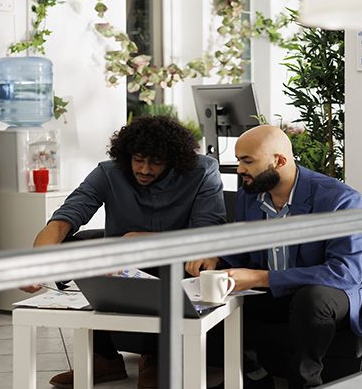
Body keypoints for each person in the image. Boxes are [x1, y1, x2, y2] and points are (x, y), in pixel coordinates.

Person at [20, 115, 226, 389]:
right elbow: (64, 219)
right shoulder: (108, 172)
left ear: (173, 160)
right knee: (72, 247)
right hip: (120, 257)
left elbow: (208, 232)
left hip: (179, 258)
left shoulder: (203, 171)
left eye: (155, 162)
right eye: (138, 159)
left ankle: (156, 358)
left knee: (159, 260)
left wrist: (147, 239)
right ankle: (105, 358)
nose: (144, 168)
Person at [188, 125, 362, 388]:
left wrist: (262, 278)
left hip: (328, 294)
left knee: (311, 298)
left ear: (279, 161)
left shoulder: (340, 199)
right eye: (238, 161)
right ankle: (252, 377)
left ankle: (306, 382)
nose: (239, 170)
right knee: (205, 286)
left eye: (247, 161)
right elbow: (244, 251)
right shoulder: (250, 196)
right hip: (272, 293)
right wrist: (216, 257)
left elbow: (346, 272)